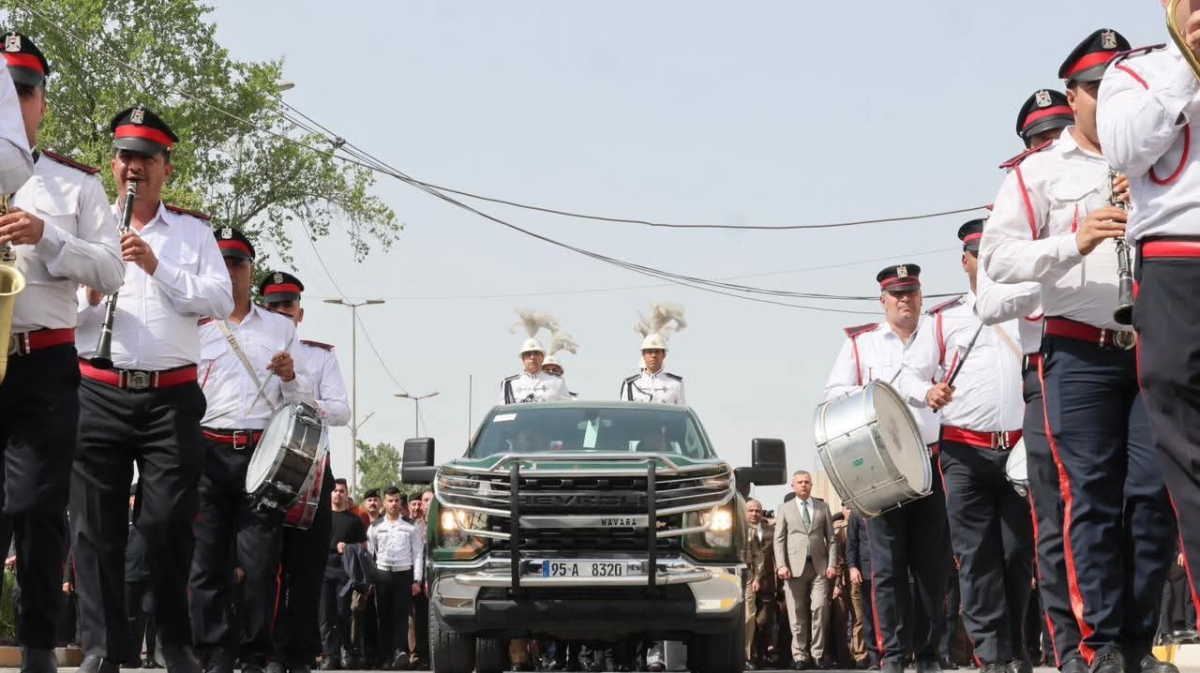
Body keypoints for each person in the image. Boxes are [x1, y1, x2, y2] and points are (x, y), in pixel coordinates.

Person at [982, 28, 1176, 673]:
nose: (1108, 97)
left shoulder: (1156, 154)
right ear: (1074, 95)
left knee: (1152, 498)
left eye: (1117, 85)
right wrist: (1075, 239)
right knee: (1089, 497)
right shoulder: (1036, 172)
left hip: (1152, 343)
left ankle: (1137, 640)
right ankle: (1096, 646)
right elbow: (998, 261)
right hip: (1077, 351)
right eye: (1096, 89)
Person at [67, 100, 231, 673]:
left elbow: (220, 300)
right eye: (123, 156)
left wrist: (157, 265)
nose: (131, 167)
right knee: (94, 529)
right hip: (97, 389)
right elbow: (58, 306)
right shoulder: (89, 224)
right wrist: (87, 294)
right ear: (112, 165)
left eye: (144, 158)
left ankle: (174, 640)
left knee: (163, 526)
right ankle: (102, 647)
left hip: (170, 398)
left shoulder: (192, 233)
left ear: (166, 166)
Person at [1, 32, 125, 673]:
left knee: (36, 509)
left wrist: (49, 238)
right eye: (6, 87)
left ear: (43, 103)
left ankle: (40, 646)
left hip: (44, 364)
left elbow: (111, 271)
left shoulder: (74, 184)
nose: (15, 100)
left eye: (26, 90)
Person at [1096, 4, 1200, 651]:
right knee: (1190, 463)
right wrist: (1189, 70)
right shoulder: (1136, 75)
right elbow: (1125, 145)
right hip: (1174, 266)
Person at [898, 220, 1034, 673]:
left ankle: (1014, 646)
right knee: (977, 559)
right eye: (979, 254)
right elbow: (910, 373)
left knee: (1016, 554)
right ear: (965, 262)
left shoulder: (1026, 308)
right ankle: (994, 656)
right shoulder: (944, 318)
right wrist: (927, 394)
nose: (988, 261)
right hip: (964, 453)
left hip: (1018, 452)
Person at [189, 227, 313, 673]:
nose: (230, 272)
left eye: (238, 263)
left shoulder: (280, 327)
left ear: (250, 269)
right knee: (206, 562)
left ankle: (254, 652)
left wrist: (288, 376)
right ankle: (213, 651)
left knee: (261, 566)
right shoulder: (194, 324)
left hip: (262, 454)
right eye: (221, 262)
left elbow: (299, 404)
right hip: (207, 450)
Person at [822, 264, 948, 673]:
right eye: (896, 294)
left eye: (911, 291)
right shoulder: (862, 346)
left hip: (932, 464)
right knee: (888, 571)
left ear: (921, 295)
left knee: (931, 570)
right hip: (882, 470)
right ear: (883, 301)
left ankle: (928, 655)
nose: (904, 299)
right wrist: (870, 398)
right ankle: (891, 656)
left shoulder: (940, 333)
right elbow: (834, 395)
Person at [255, 270, 349, 673]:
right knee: (265, 565)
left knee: (308, 566)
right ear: (263, 308)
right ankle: (271, 651)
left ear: (300, 312)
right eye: (274, 305)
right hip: (262, 469)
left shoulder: (319, 355)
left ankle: (301, 653)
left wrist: (306, 404)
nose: (281, 311)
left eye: (288, 306)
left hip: (311, 470)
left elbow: (343, 410)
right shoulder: (248, 343)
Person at [773, 471, 838, 670]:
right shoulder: (784, 508)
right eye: (800, 482)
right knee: (797, 613)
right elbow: (779, 539)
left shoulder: (822, 507)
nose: (803, 485)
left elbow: (832, 539)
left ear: (811, 485)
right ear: (793, 485)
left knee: (819, 608)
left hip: (819, 567)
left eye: (807, 482)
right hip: (793, 569)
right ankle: (800, 656)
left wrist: (832, 564)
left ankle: (817, 654)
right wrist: (781, 565)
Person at [366, 487, 423, 670]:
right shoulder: (375, 527)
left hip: (404, 574)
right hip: (382, 573)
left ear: (401, 503)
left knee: (401, 615)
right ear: (384, 502)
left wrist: (417, 580)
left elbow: (418, 554)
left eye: (397, 500)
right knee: (383, 616)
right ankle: (385, 656)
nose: (394, 504)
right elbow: (369, 555)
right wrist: (370, 579)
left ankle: (400, 652)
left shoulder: (410, 526)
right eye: (390, 501)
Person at [320, 479, 367, 670]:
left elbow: (364, 548)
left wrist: (348, 548)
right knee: (325, 615)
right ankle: (330, 655)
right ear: (330, 494)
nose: (338, 494)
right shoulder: (321, 517)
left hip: (344, 571)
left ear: (347, 495)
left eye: (341, 491)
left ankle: (347, 648)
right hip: (323, 569)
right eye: (335, 491)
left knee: (342, 613)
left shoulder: (354, 520)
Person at [745, 499, 777, 670]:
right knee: (748, 620)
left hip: (767, 582)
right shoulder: (739, 532)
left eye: (757, 511)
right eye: (750, 510)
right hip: (746, 581)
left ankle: (762, 655)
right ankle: (750, 656)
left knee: (763, 621)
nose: (754, 514)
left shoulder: (772, 531)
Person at [619, 332, 685, 404]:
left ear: (664, 355)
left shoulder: (675, 384)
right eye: (649, 352)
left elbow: (682, 413)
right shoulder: (630, 384)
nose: (653, 355)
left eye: (657, 351)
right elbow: (624, 413)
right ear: (643, 355)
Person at [502, 338, 571, 405]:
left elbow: (566, 409)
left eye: (536, 353)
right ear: (523, 359)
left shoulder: (556, 381)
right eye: (528, 354)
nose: (532, 357)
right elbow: (503, 412)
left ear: (543, 357)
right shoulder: (510, 384)